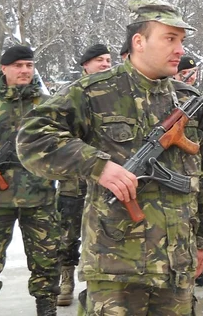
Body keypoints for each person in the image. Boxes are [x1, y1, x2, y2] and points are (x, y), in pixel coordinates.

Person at [16, 0, 203, 316]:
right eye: (169, 38)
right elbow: (31, 138)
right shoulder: (94, 92)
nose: (179, 49)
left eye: (181, 40)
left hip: (176, 266)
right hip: (115, 269)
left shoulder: (189, 101)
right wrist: (97, 165)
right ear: (139, 41)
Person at [0, 45, 60, 315]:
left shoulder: (47, 104)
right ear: (4, 68)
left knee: (47, 261)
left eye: (29, 66)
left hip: (40, 197)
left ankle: (47, 308)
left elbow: (63, 144)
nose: (25, 71)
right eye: (19, 65)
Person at [56, 43, 114, 307]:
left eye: (108, 60)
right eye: (99, 60)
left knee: (104, 235)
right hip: (73, 182)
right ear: (85, 65)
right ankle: (66, 281)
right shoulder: (69, 95)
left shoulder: (114, 94)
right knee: (69, 234)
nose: (105, 64)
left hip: (105, 180)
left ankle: (95, 288)